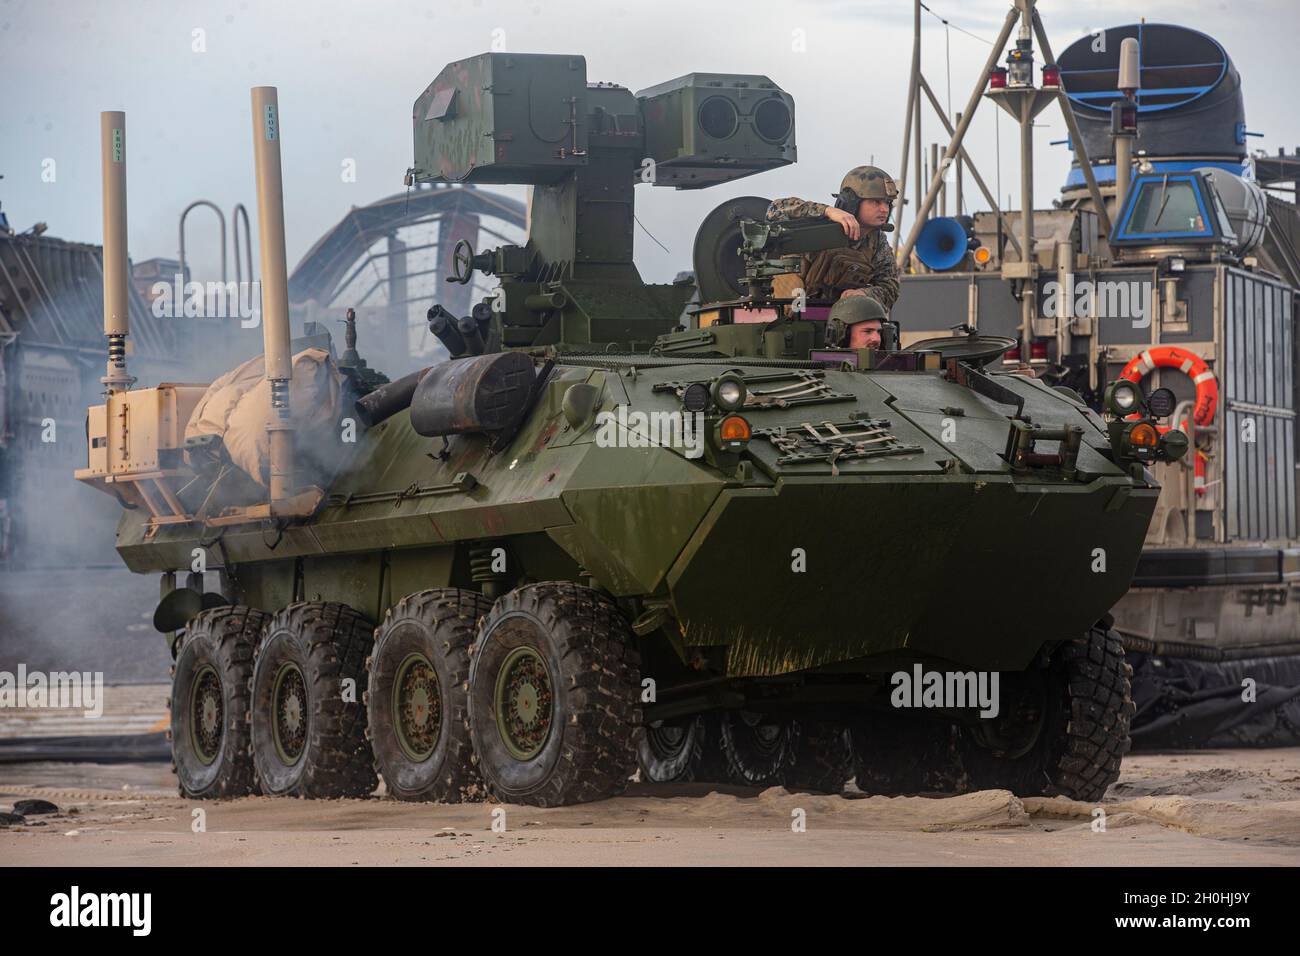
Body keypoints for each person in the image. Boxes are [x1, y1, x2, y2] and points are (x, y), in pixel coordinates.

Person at [766, 166, 900, 309]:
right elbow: (774, 210)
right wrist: (826, 211)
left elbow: (890, 287)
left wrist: (864, 294)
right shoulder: (821, 223)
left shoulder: (877, 242)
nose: (884, 209)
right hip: (795, 314)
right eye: (875, 202)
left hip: (840, 316)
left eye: (887, 202)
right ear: (852, 201)